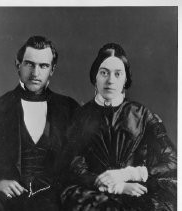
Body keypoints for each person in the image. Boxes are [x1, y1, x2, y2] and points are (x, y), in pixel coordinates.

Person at [60, 43, 177, 211]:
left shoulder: (142, 114)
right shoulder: (81, 116)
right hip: (93, 191)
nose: (110, 80)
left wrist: (127, 175)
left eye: (117, 74)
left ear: (125, 80)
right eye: (104, 73)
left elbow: (173, 160)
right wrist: (113, 185)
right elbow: (71, 165)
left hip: (135, 188)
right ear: (95, 77)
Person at [0, 35, 79, 211]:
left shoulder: (69, 108)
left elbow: (80, 160)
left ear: (52, 70)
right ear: (18, 65)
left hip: (55, 196)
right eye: (29, 64)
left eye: (43, 66)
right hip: (9, 196)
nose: (35, 73)